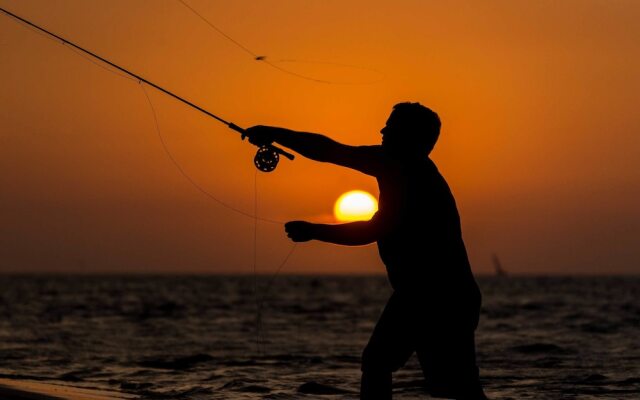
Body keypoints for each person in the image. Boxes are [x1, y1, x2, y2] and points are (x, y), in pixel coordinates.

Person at [245, 102, 487, 400]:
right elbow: (332, 152)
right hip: (436, 295)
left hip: (434, 295)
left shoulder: (405, 170)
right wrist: (275, 134)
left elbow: (372, 227)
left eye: (392, 127)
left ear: (411, 137)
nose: (382, 131)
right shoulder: (406, 169)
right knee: (446, 383)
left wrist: (314, 231)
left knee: (386, 366)